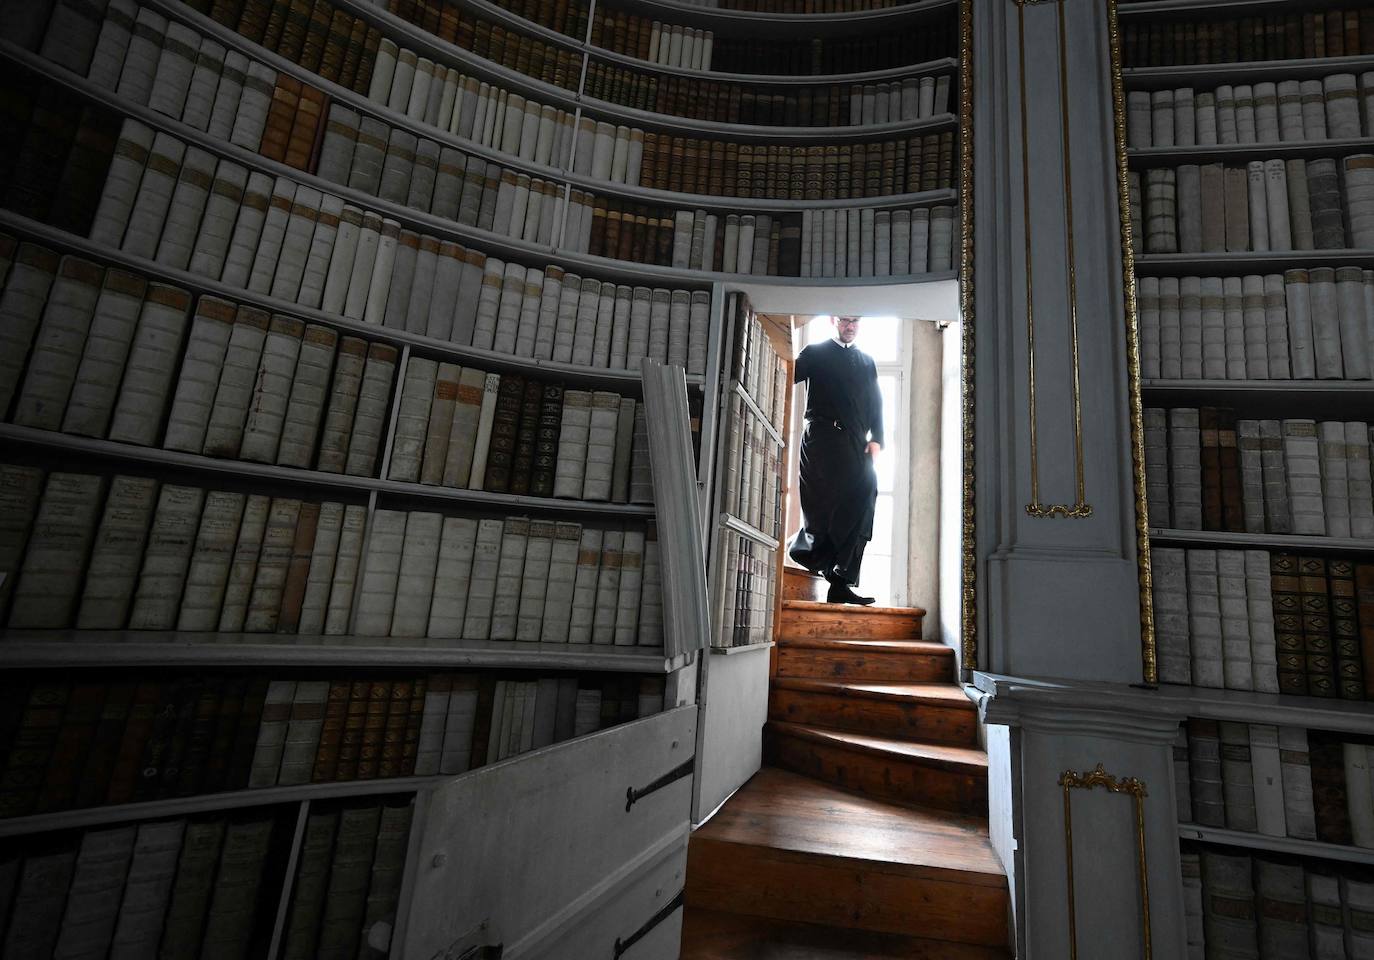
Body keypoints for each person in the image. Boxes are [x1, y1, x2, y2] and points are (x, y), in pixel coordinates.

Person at [787, 315, 883, 605]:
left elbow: (877, 402)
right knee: (825, 506)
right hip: (821, 439)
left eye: (854, 321)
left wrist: (877, 438)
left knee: (864, 500)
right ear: (833, 320)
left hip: (857, 443)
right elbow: (784, 372)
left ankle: (841, 580)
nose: (849, 325)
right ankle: (806, 550)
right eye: (844, 320)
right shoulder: (815, 353)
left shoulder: (867, 361)